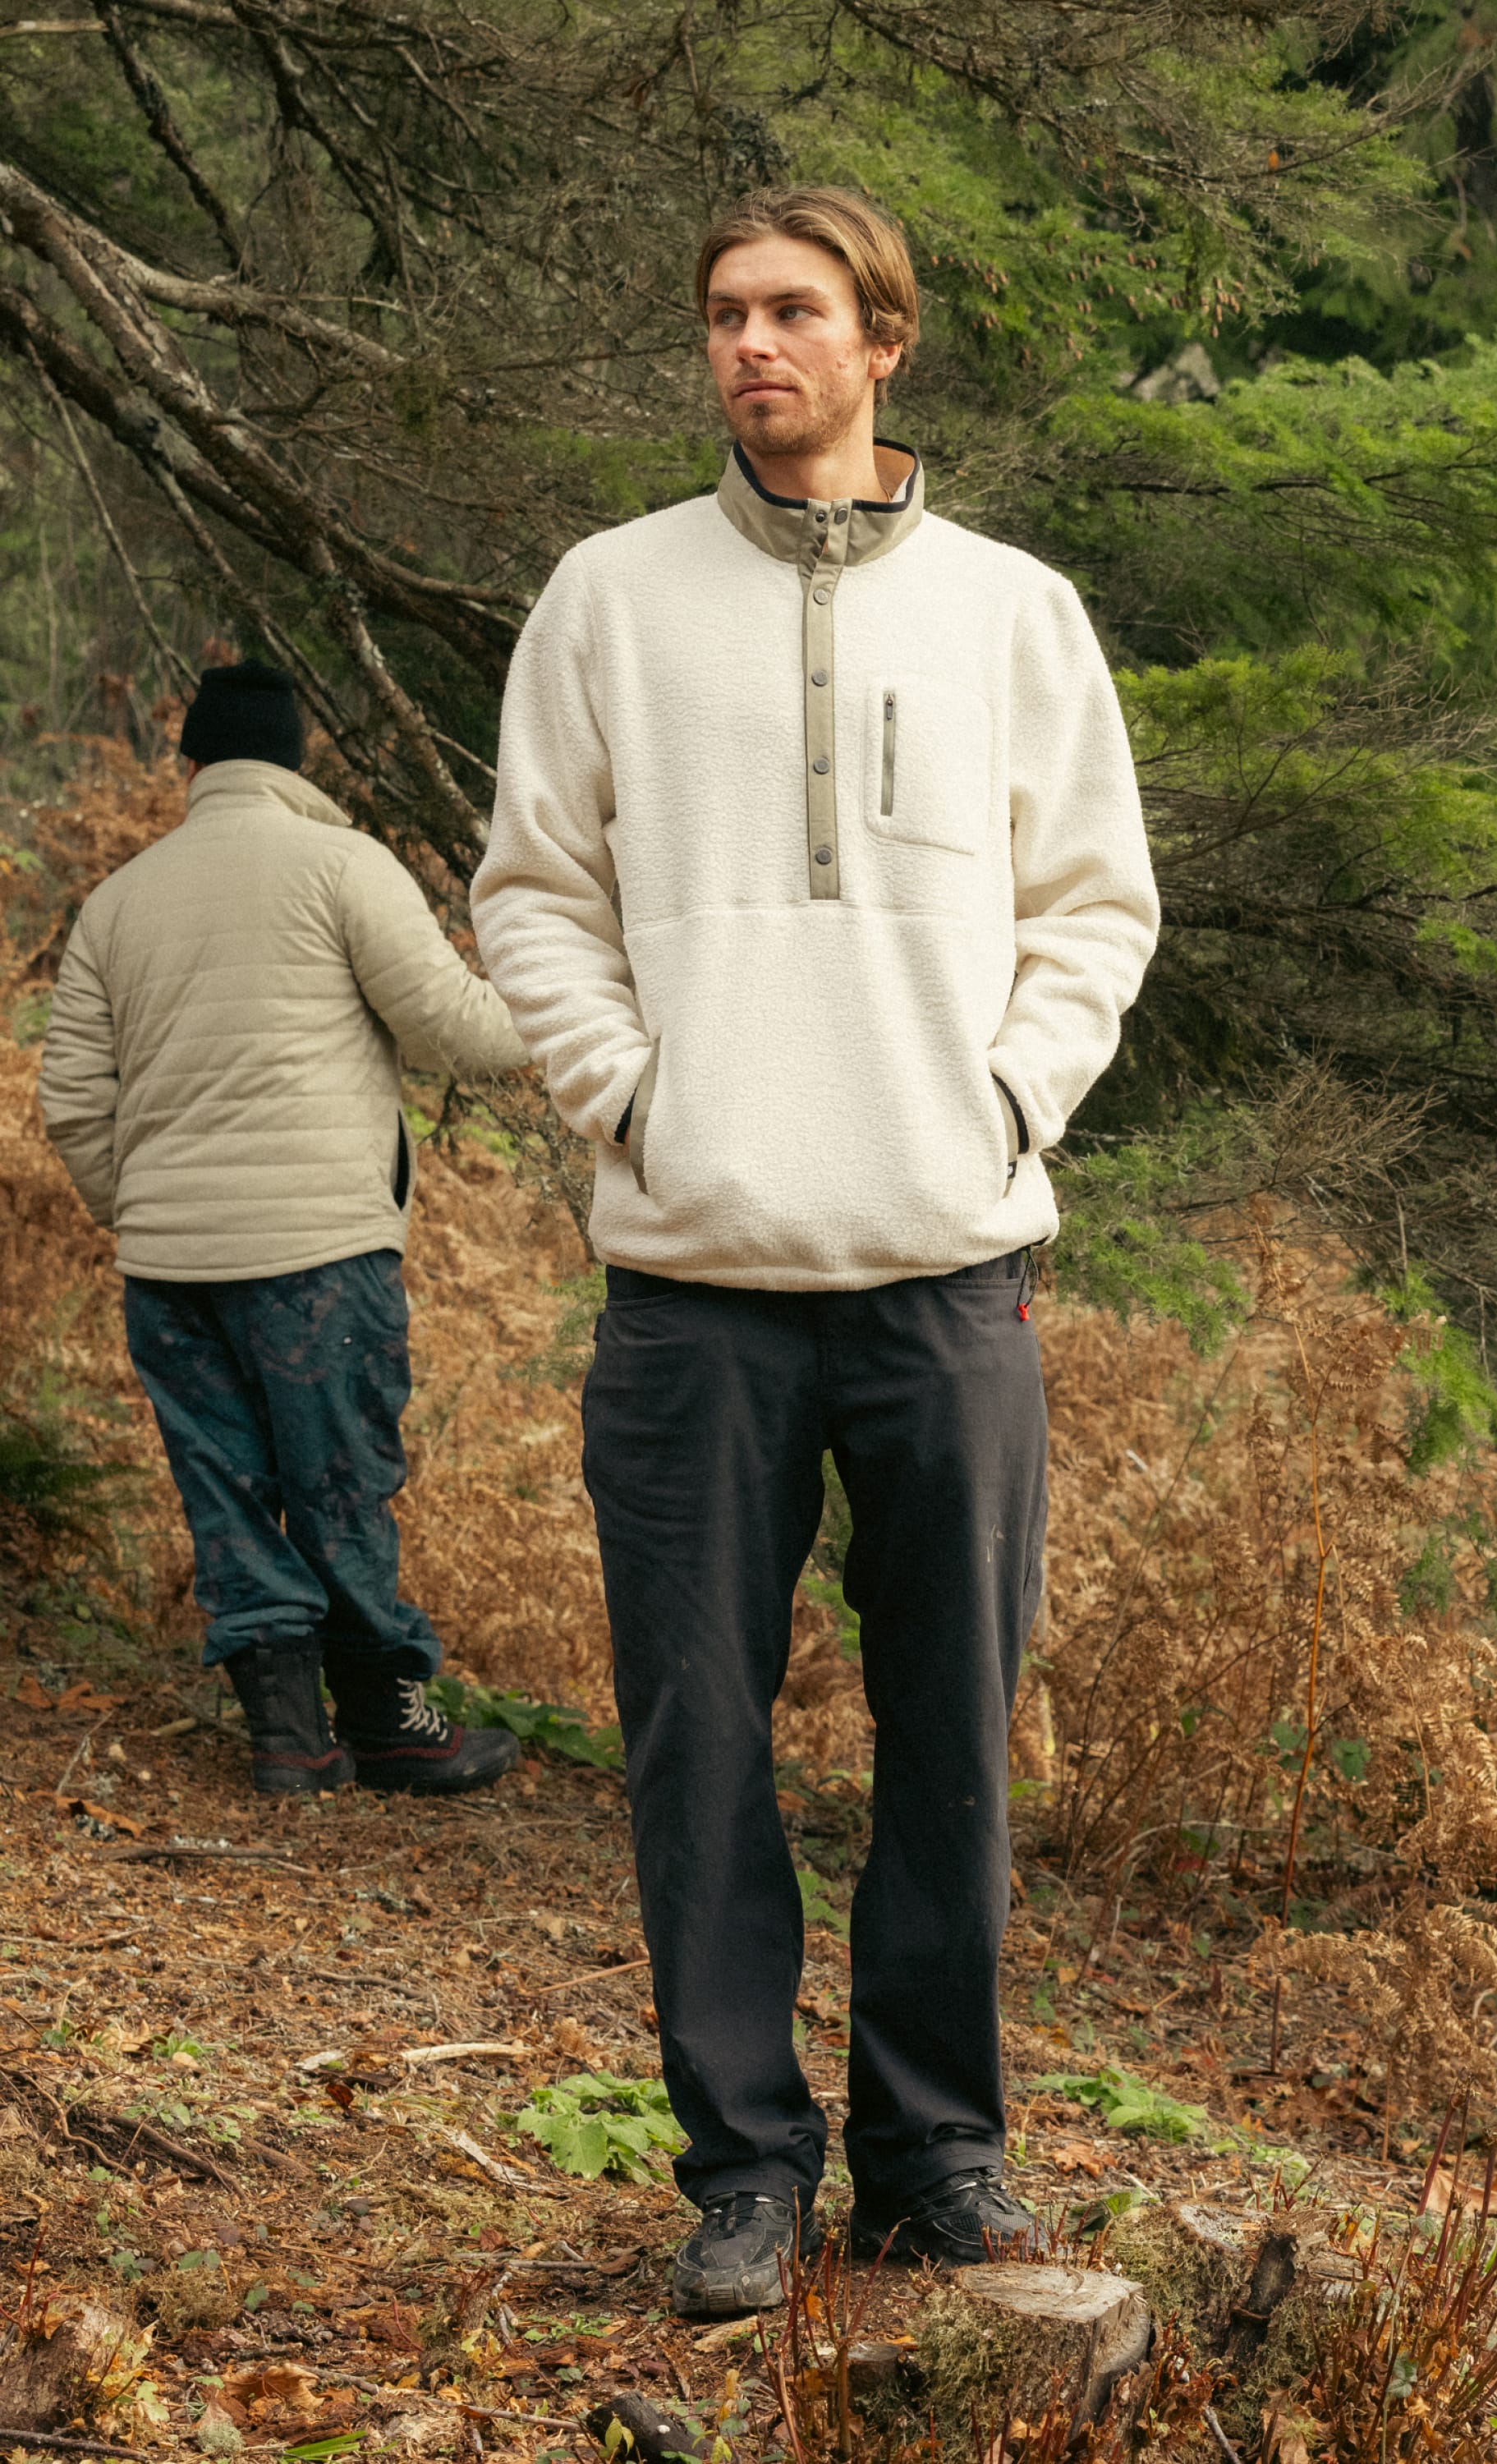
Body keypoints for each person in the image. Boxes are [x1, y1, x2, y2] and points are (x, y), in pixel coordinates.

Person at [473, 186, 1159, 2315]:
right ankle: (745, 2171)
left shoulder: (1014, 615)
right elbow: (530, 893)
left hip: (949, 1277)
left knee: (951, 1736)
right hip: (694, 1291)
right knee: (700, 1740)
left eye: (794, 311)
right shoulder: (608, 598)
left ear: (886, 341)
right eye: (723, 315)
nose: (751, 345)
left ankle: (938, 2159)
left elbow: (1097, 908)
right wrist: (639, 1098)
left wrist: (1000, 1106)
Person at [39, 661, 527, 1799]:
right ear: (297, 765)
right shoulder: (342, 866)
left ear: (192, 768)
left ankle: (289, 1741)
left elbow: (72, 1096)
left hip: (169, 1269)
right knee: (341, 1487)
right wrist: (581, 1012)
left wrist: (144, 1203)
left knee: (226, 1490)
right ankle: (397, 1724)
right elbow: (452, 1026)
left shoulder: (119, 899)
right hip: (318, 1258)